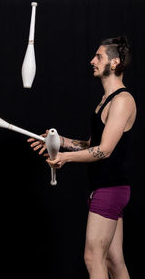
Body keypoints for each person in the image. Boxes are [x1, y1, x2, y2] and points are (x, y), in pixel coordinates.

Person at [29, 36, 134, 279]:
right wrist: (59, 141)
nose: (92, 61)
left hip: (110, 189)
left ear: (115, 63)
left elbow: (104, 151)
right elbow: (92, 145)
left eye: (99, 57)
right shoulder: (105, 102)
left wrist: (64, 158)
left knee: (92, 257)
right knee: (114, 260)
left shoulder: (122, 101)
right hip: (107, 187)